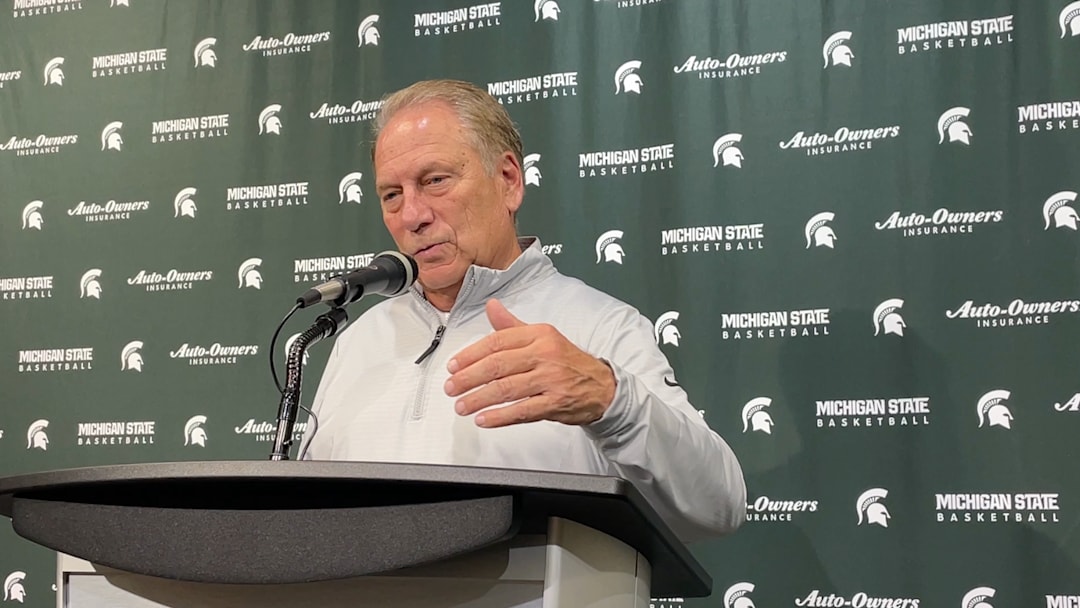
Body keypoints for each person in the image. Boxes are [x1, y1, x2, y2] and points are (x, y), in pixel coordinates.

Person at [301, 79, 745, 542]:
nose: (412, 215)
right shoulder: (358, 340)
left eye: (435, 181)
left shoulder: (600, 327)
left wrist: (612, 403)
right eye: (391, 194)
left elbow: (719, 505)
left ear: (509, 181)